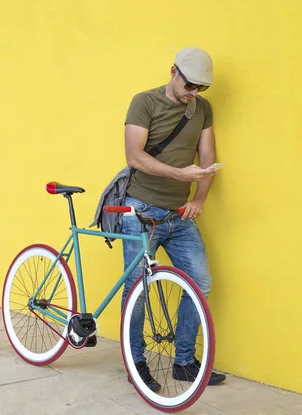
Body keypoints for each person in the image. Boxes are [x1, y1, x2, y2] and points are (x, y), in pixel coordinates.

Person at [121, 47, 226, 391]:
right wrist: (182, 176)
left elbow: (208, 156)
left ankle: (183, 363)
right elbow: (134, 156)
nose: (193, 93)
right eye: (190, 85)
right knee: (138, 289)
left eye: (201, 88)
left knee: (200, 284)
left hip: (178, 215)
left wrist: (199, 197)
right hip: (141, 210)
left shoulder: (202, 109)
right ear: (173, 72)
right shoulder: (145, 102)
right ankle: (136, 361)